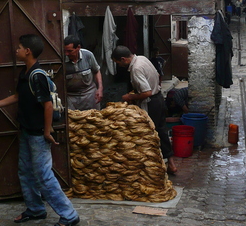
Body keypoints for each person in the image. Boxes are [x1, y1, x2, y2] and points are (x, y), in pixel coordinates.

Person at [0, 34, 80, 226]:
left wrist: (47, 132)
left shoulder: (37, 75)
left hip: (38, 134)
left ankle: (69, 216)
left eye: (19, 47)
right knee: (26, 171)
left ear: (28, 51)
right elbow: (17, 96)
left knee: (44, 176)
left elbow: (47, 105)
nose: (16, 50)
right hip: (27, 131)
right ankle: (36, 209)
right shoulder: (26, 72)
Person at [111, 45, 177, 175]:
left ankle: (153, 167)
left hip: (151, 103)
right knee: (162, 131)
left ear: (123, 59)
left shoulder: (136, 69)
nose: (119, 65)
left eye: (118, 63)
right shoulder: (142, 58)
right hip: (158, 99)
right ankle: (171, 164)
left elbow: (146, 92)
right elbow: (158, 75)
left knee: (149, 134)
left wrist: (130, 96)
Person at [64, 35, 103, 110]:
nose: (66, 54)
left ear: (78, 48)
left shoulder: (88, 55)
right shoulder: (62, 59)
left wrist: (100, 88)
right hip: (71, 97)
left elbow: (96, 71)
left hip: (90, 94)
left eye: (69, 51)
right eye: (65, 51)